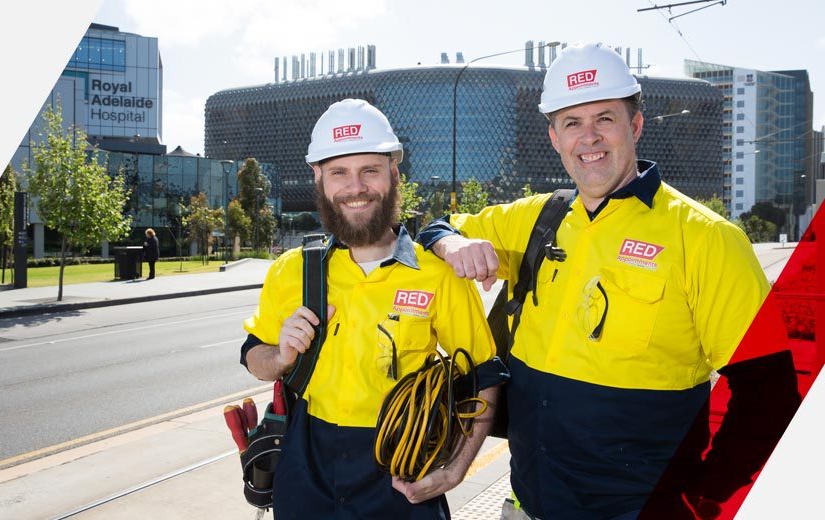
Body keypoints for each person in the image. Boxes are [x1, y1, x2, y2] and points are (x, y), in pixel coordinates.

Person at [417, 43, 800, 519]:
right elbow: (434, 229)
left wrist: (704, 495)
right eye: (571, 123)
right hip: (526, 505)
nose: (589, 137)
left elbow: (770, 393)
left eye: (605, 118)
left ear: (635, 126)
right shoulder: (536, 217)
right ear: (554, 137)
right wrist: (451, 243)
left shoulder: (706, 238)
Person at [240, 99, 505, 519]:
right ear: (319, 178)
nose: (356, 187)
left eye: (370, 170)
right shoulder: (292, 270)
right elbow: (254, 356)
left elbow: (483, 375)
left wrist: (455, 469)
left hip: (402, 475)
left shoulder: (438, 273)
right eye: (339, 172)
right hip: (305, 473)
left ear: (394, 174)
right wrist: (281, 358)